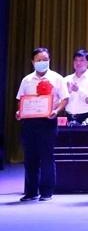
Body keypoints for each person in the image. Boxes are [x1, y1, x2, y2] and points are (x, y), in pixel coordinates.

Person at [15, 47, 68, 201]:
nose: (42, 62)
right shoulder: (26, 80)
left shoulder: (57, 78)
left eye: (45, 59)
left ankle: (46, 192)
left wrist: (56, 111)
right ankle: (31, 191)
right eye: (39, 60)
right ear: (33, 62)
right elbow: (20, 100)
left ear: (49, 60)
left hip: (48, 121)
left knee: (47, 158)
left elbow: (65, 99)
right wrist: (19, 112)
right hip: (29, 123)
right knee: (30, 158)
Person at [64, 49, 88, 124]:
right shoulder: (66, 79)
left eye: (81, 60)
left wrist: (78, 90)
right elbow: (61, 101)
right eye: (76, 60)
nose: (78, 63)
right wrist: (67, 93)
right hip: (69, 117)